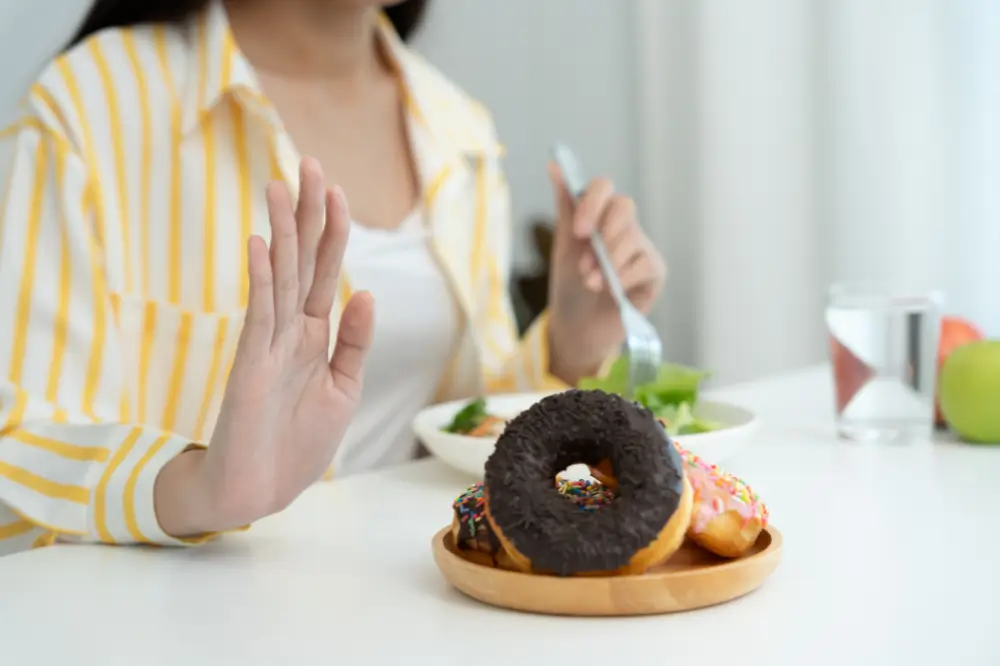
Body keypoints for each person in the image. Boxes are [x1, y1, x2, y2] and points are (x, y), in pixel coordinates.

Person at [0, 0, 666, 557]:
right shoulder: (88, 109)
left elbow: (465, 432)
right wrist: (198, 487)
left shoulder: (460, 130)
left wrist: (567, 346)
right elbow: (19, 450)